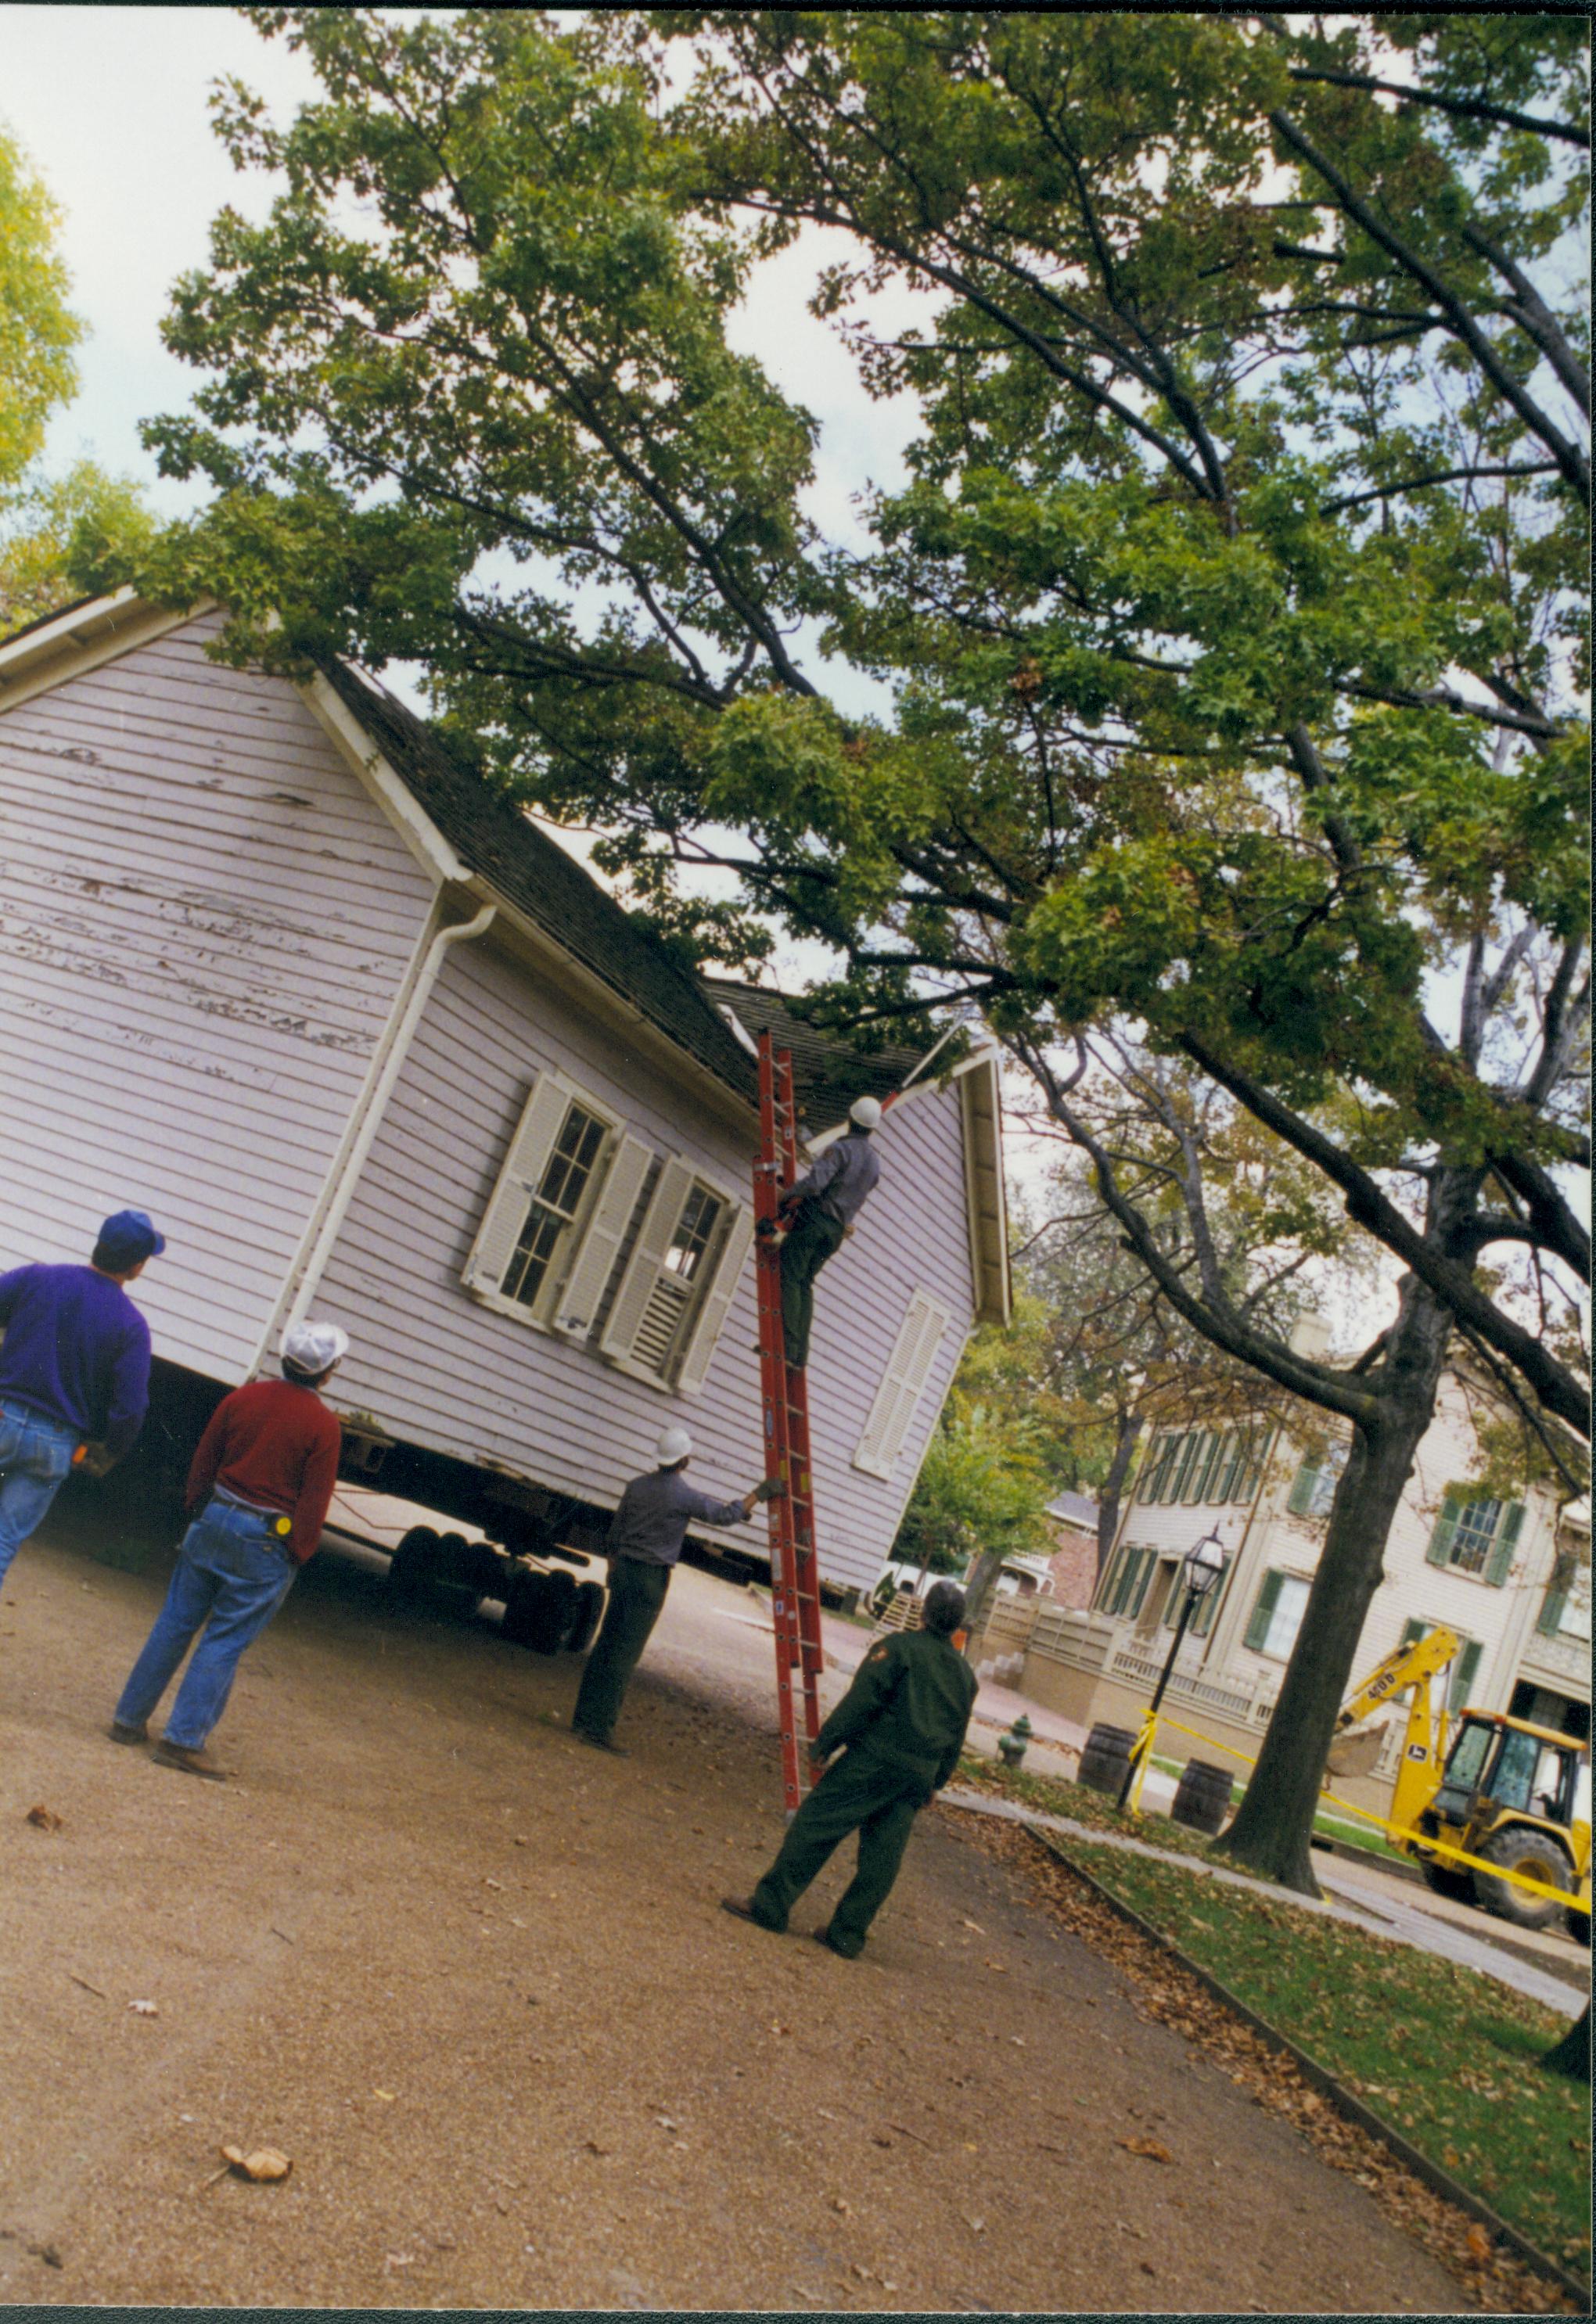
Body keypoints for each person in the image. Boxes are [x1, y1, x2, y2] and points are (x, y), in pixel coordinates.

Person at [110, 1320, 347, 1780]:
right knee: (225, 1638)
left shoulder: (243, 1396)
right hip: (265, 1537)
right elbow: (315, 1498)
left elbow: (205, 1456)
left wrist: (198, 1504)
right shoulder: (324, 1425)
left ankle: (128, 1719)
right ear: (327, 1372)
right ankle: (182, 1739)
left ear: (285, 1358)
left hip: (216, 1516)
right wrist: (300, 1548)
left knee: (175, 1622)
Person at [722, 1577, 977, 1959]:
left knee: (816, 1825)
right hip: (916, 1775)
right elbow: (956, 1735)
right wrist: (936, 1782)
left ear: (923, 1613)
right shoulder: (965, 1676)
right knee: (883, 1858)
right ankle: (847, 1933)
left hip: (874, 1760)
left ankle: (771, 1906)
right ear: (958, 1625)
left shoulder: (896, 1650)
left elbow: (863, 1702)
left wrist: (827, 1743)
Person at [571, 1428, 780, 1755]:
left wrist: (613, 1568)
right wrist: (759, 1494)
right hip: (650, 1578)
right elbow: (724, 1516)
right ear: (685, 1460)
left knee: (606, 1645)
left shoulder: (636, 1487)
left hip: (624, 1569)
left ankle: (582, 1720)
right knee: (625, 1655)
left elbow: (615, 1534)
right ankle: (598, 1730)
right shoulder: (683, 1496)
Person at [0, 1208, 164, 1590]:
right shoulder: (131, 1326)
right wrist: (108, 1450)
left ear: (99, 1244)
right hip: (56, 1441)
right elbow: (131, 1409)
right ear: (137, 1267)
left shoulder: (38, 1278)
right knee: (3, 1542)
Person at [775, 1094, 882, 1370]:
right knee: (805, 1283)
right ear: (872, 1128)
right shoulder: (874, 1163)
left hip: (816, 1222)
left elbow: (816, 1184)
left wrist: (785, 1196)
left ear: (850, 1119)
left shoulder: (840, 1149)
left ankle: (787, 1350)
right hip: (835, 1235)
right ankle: (799, 1356)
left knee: (790, 1274)